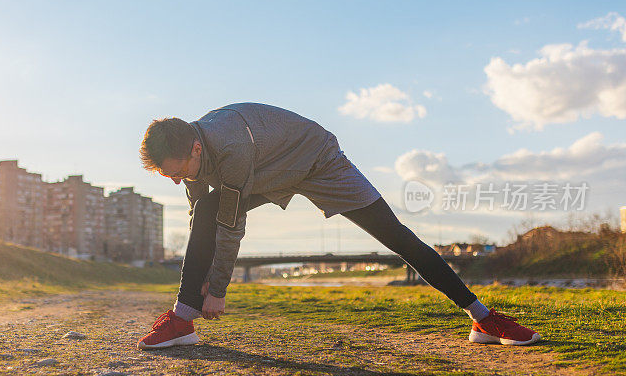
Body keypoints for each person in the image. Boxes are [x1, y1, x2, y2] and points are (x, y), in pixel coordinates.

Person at [137, 103, 540, 349]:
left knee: (396, 236)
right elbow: (201, 216)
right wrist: (201, 283)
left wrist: (219, 289)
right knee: (207, 210)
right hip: (271, 169)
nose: (178, 180)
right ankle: (182, 318)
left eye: (178, 172)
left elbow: (230, 225)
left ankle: (483, 318)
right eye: (169, 177)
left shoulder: (230, 147)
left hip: (319, 162)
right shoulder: (190, 153)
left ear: (194, 146)